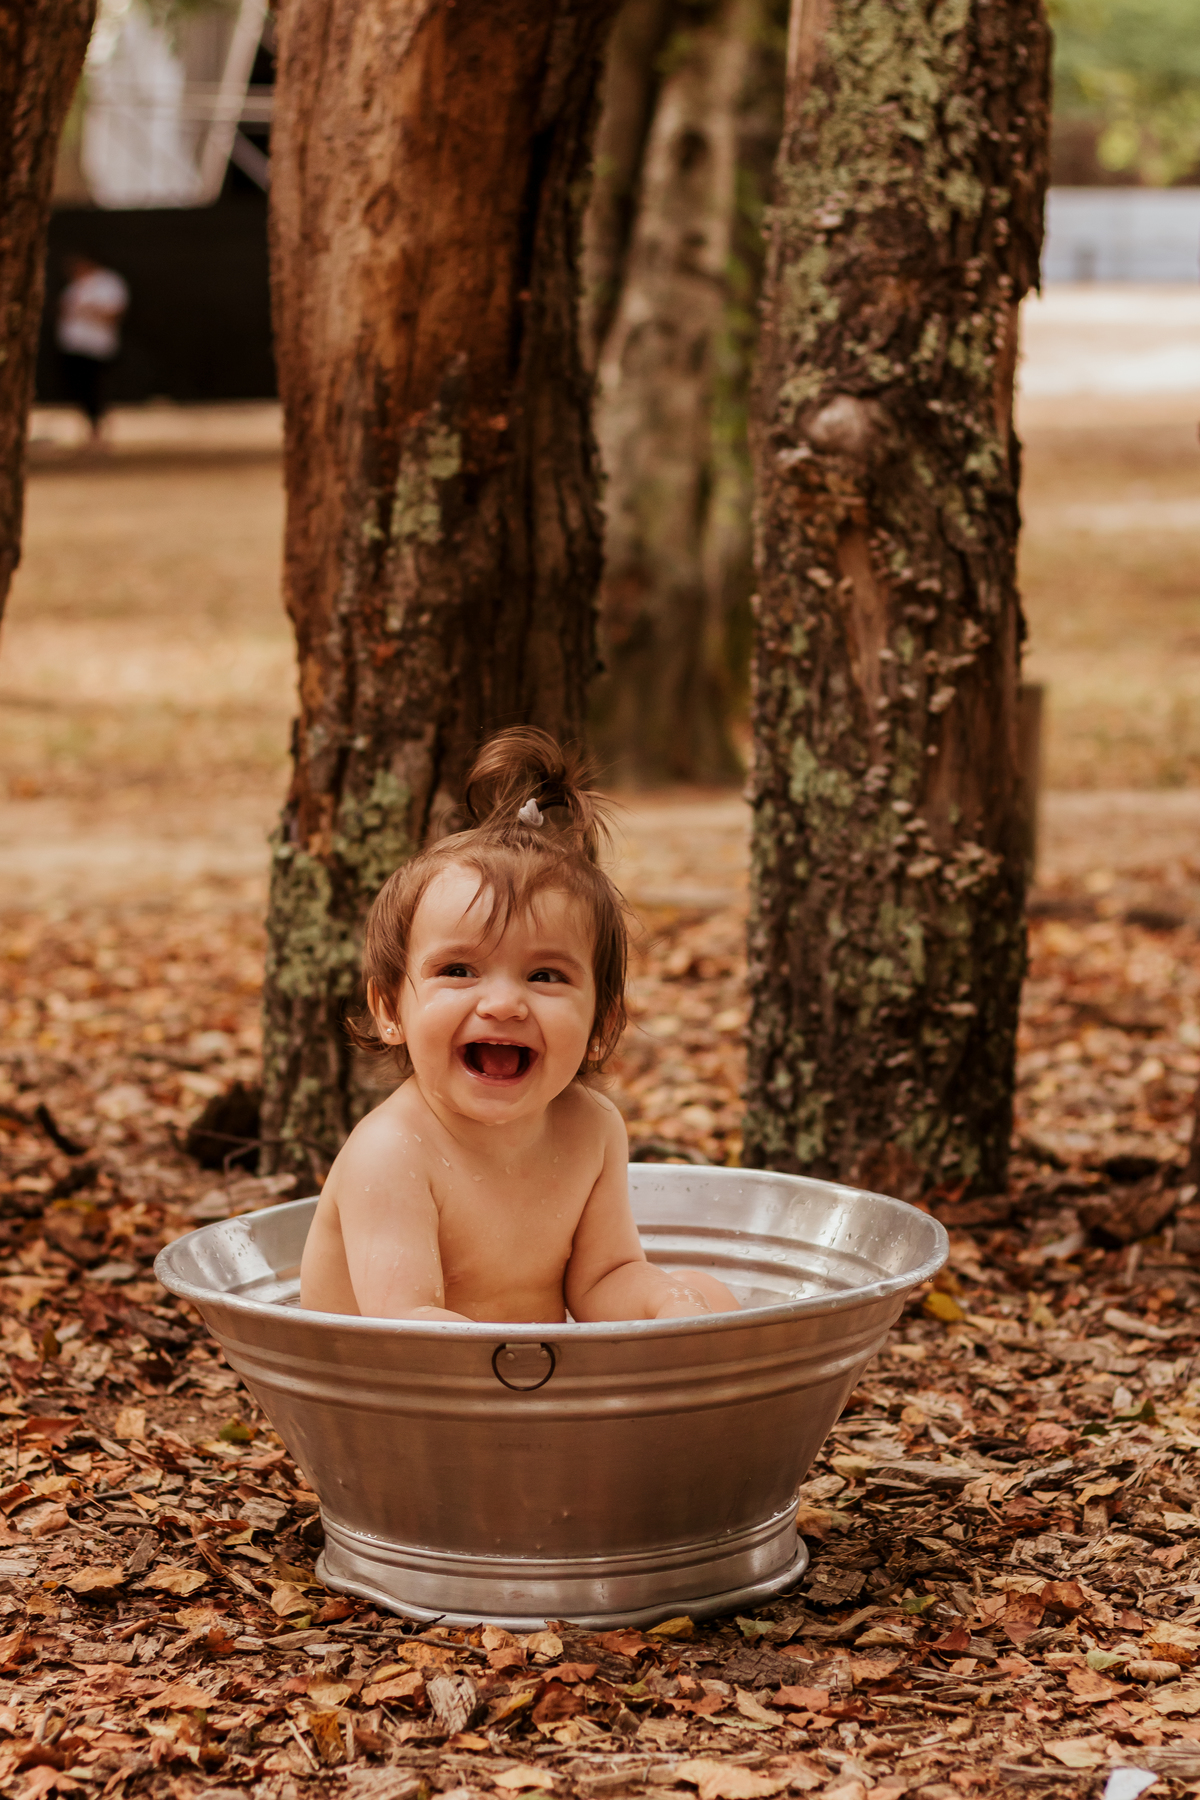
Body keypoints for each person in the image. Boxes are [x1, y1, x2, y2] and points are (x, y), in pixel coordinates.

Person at [300, 728, 739, 1324]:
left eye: (546, 976)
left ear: (601, 1023)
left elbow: (602, 1281)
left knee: (704, 1294)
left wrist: (662, 1303)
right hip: (390, 1401)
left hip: (522, 1389)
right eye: (459, 970)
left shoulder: (591, 1128)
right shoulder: (393, 1152)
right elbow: (405, 1332)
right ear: (389, 1011)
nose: (503, 1004)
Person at [56, 253, 129, 444]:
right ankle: (89, 431)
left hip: (96, 348)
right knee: (79, 390)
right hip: (73, 347)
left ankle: (99, 431)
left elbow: (114, 314)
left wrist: (89, 311)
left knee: (95, 390)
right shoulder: (75, 286)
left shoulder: (108, 283)